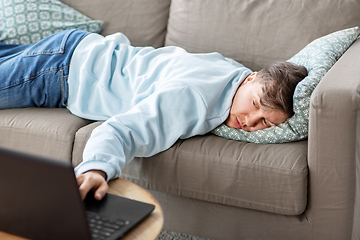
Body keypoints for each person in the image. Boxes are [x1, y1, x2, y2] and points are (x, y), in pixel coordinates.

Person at [0, 29, 308, 201]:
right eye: (254, 106)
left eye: (265, 123)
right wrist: (96, 169)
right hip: (58, 71)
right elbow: (121, 131)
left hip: (77, 47)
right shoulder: (192, 98)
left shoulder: (230, 70)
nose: (249, 123)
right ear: (251, 78)